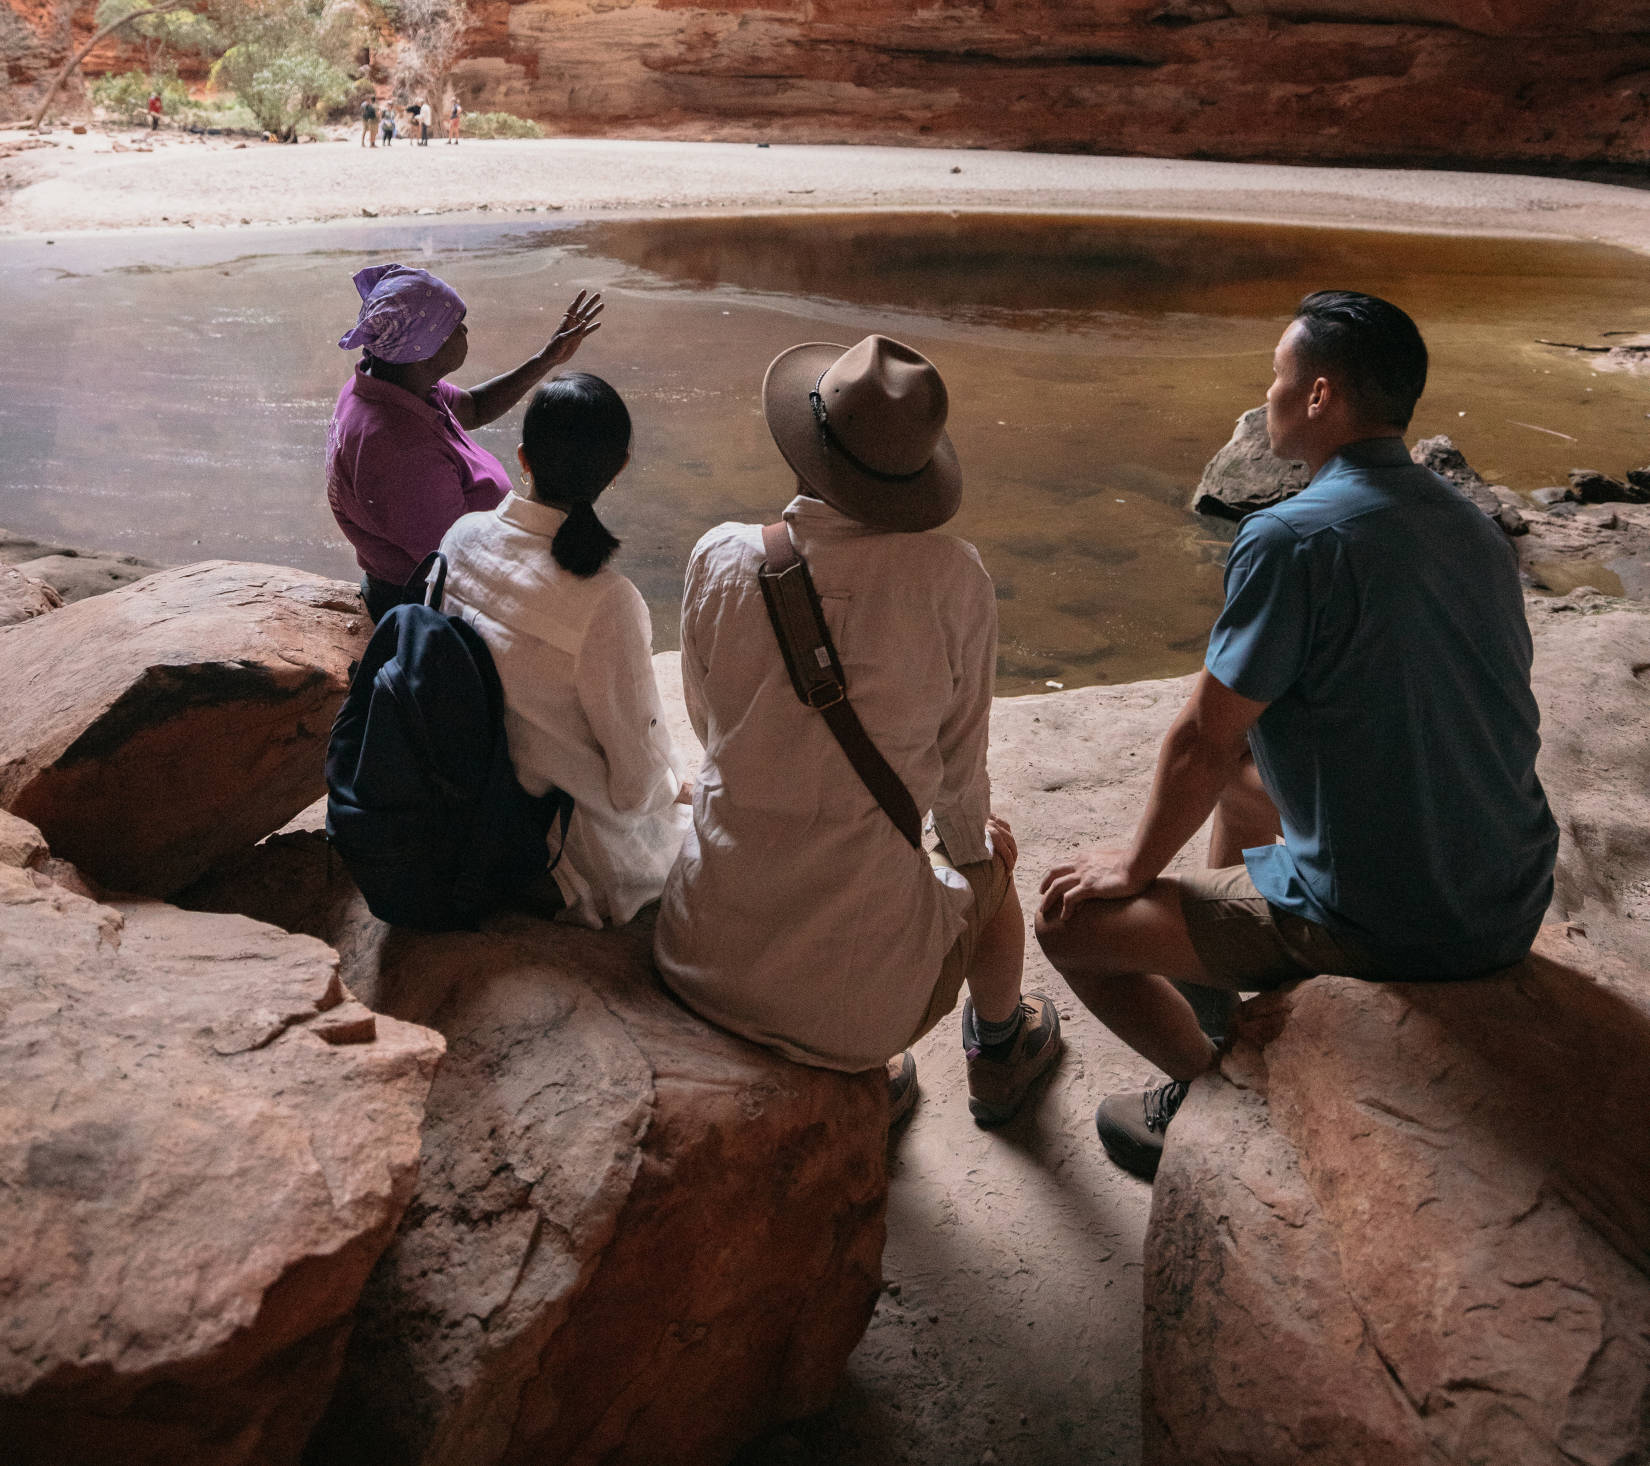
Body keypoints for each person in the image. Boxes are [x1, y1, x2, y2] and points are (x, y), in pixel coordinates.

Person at [1037, 290, 1560, 1182]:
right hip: (1509, 891)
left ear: (1319, 396)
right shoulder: (1471, 526)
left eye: (1276, 378)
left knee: (1069, 924)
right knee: (1248, 778)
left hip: (1397, 921)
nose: (1266, 395)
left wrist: (1132, 866)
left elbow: (1199, 738)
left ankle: (1224, 1095)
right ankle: (1231, 995)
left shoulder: (1288, 538)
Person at [653, 333, 1062, 1127]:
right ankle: (1004, 1049)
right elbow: (958, 778)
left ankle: (877, 1073)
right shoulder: (954, 579)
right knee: (992, 856)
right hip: (852, 1019)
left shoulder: (720, 556)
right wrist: (975, 860)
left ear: (805, 447)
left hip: (699, 958)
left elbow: (708, 727)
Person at [442, 373, 692, 926]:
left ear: (523, 458)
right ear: (619, 468)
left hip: (459, 796)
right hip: (555, 850)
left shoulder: (460, 536)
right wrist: (675, 787)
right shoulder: (607, 600)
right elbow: (634, 787)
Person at [325, 263, 604, 622]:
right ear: (423, 352)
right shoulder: (400, 450)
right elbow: (458, 564)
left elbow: (473, 407)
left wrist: (547, 358)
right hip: (429, 605)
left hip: (442, 577)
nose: (465, 330)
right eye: (455, 327)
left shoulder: (391, 382)